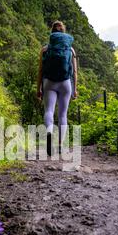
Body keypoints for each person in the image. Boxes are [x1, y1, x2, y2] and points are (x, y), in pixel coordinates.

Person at [37, 20, 78, 156]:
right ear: (63, 32)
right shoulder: (70, 49)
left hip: (49, 82)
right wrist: (75, 88)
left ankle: (49, 131)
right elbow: (75, 72)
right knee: (62, 114)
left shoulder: (45, 49)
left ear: (52, 33)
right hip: (65, 83)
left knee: (49, 110)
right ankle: (60, 145)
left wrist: (39, 88)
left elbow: (41, 71)